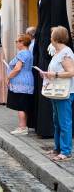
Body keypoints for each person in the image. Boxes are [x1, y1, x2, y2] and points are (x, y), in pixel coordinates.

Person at [31, 0, 74, 138]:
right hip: (42, 43)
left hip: (51, 44)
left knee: (52, 82)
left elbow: (57, 19)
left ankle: (50, 129)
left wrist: (54, 43)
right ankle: (43, 126)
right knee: (44, 81)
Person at [43, 26, 74, 161]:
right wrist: (47, 75)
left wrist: (54, 74)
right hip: (56, 91)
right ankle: (57, 148)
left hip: (65, 93)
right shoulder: (57, 52)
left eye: (51, 35)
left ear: (56, 37)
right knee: (57, 122)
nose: (50, 37)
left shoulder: (66, 52)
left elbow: (71, 72)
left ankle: (66, 151)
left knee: (64, 122)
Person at [7, 34, 34, 135]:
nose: (16, 43)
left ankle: (22, 128)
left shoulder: (22, 53)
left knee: (20, 105)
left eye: (17, 41)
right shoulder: (29, 53)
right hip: (27, 80)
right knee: (24, 104)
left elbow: (17, 68)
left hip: (20, 81)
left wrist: (8, 77)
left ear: (22, 42)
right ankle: (23, 126)